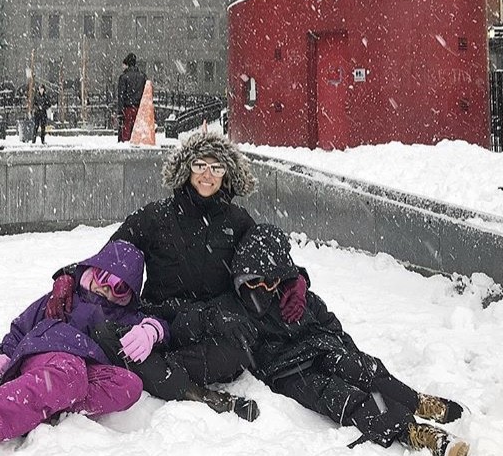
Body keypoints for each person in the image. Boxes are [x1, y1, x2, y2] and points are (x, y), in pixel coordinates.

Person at [46, 132, 309, 420]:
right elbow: (110, 258)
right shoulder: (155, 217)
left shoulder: (238, 221)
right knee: (105, 328)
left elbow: (266, 261)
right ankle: (164, 373)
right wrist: (69, 276)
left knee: (239, 350)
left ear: (227, 174)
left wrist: (295, 278)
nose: (207, 175)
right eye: (200, 165)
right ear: (187, 168)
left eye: (217, 168)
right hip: (158, 321)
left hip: (211, 324)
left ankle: (151, 368)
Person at [174, 223, 470, 456]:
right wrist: (213, 319)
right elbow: (185, 324)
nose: (264, 289)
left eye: (272, 281)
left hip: (322, 348)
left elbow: (331, 325)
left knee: (366, 370)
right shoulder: (234, 306)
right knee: (342, 398)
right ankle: (415, 433)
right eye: (256, 282)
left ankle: (416, 401)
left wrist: (352, 354)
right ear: (243, 279)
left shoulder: (298, 298)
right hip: (288, 371)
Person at [0, 241, 168, 447]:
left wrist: (151, 329)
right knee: (70, 374)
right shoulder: (66, 296)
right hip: (47, 351)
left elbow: (163, 327)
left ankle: (47, 404)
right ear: (94, 269)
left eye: (119, 287)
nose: (107, 289)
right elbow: (21, 327)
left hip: (81, 371)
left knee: (129, 385)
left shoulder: (122, 315)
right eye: (104, 277)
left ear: (128, 294)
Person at [117, 52, 146, 141]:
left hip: (127, 108)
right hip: (139, 108)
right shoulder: (142, 77)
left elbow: (121, 95)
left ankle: (126, 147)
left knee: (126, 133)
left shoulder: (123, 77)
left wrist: (120, 112)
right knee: (137, 133)